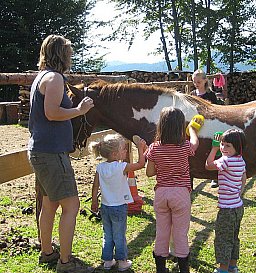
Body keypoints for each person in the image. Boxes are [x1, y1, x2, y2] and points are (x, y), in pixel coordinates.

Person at [27, 34, 95, 273]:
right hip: (52, 153)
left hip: (41, 151)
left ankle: (47, 252)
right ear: (61, 54)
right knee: (72, 205)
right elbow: (52, 113)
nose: (71, 57)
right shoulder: (55, 78)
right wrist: (79, 109)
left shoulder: (41, 77)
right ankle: (65, 263)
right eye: (68, 52)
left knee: (50, 204)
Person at [146, 107, 204, 273]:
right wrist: (192, 129)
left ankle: (160, 268)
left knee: (162, 231)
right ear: (180, 127)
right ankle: (183, 268)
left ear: (161, 126)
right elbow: (195, 143)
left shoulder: (154, 147)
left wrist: (164, 167)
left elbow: (149, 172)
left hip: (162, 194)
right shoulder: (184, 146)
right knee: (180, 233)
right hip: (180, 193)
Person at [89, 133, 147, 271]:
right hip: (119, 207)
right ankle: (122, 261)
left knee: (107, 234)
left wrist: (94, 201)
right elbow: (141, 164)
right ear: (115, 154)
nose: (125, 151)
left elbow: (95, 186)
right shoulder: (121, 167)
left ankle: (108, 260)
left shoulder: (100, 168)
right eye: (123, 149)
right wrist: (140, 148)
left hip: (105, 207)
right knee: (119, 234)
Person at [205, 129, 247, 273]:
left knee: (223, 238)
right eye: (222, 144)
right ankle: (232, 266)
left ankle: (222, 269)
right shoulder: (240, 160)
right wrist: (239, 192)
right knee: (234, 237)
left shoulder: (225, 160)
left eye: (227, 145)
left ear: (237, 147)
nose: (223, 148)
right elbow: (243, 178)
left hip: (226, 209)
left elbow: (208, 165)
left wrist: (214, 149)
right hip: (238, 206)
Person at [191, 69, 219, 188]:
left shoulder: (210, 95)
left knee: (213, 149)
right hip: (196, 126)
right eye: (194, 82)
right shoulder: (192, 94)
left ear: (205, 81)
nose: (196, 84)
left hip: (210, 126)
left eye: (198, 82)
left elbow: (216, 110)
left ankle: (214, 176)